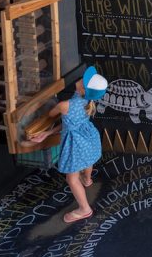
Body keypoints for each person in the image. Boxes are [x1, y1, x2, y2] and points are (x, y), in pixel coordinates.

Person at [30, 66, 108, 223]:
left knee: (72, 179)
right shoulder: (87, 100)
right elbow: (69, 123)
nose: (80, 79)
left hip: (77, 144)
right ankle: (87, 180)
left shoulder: (64, 105)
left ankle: (84, 209)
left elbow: (50, 116)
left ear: (83, 89)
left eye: (83, 81)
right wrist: (47, 134)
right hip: (89, 138)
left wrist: (45, 128)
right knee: (88, 161)